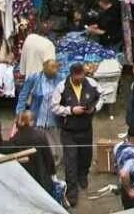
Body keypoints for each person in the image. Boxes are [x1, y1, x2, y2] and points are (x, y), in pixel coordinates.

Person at [52, 61, 102, 207]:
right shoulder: (61, 87)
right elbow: (54, 107)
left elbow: (102, 96)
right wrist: (70, 110)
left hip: (86, 129)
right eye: (78, 76)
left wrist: (95, 108)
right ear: (72, 74)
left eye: (83, 75)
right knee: (71, 162)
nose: (81, 78)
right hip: (69, 132)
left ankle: (83, 176)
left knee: (86, 156)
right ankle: (72, 193)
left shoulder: (91, 83)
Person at [15, 58, 62, 165]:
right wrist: (20, 112)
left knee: (54, 138)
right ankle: (41, 159)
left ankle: (55, 158)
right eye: (52, 67)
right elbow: (23, 95)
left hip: (53, 115)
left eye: (56, 68)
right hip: (38, 114)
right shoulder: (34, 78)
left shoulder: (59, 79)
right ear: (44, 67)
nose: (54, 70)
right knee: (38, 138)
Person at [12, 110, 57, 193]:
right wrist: (52, 173)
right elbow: (48, 157)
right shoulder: (40, 135)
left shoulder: (14, 139)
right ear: (31, 122)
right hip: (41, 177)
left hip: (23, 180)